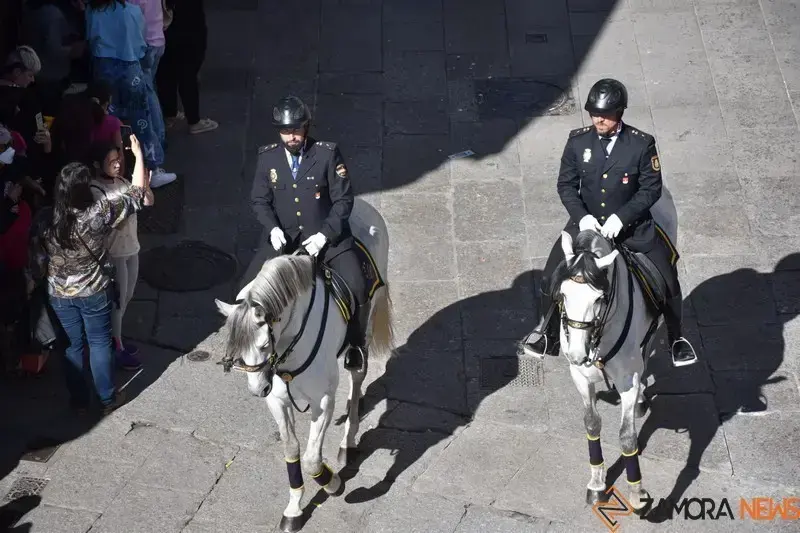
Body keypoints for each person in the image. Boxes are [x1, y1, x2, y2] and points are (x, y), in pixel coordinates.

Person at [518, 78, 698, 367]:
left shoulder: (641, 144)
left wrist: (621, 217)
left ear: (620, 113)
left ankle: (677, 338)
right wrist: (583, 218)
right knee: (551, 275)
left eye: (605, 114)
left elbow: (651, 189)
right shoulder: (578, 141)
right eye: (594, 113)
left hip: (631, 229)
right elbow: (566, 185)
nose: (598, 119)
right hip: (586, 227)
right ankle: (546, 332)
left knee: (667, 278)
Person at [28, 133, 150, 414]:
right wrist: (138, 155)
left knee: (71, 347)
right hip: (94, 291)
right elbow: (137, 194)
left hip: (59, 294)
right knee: (98, 343)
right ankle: (107, 398)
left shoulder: (45, 219)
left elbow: (37, 263)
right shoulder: (97, 213)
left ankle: (79, 400)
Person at [249, 95, 368, 371]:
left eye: (296, 130)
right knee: (247, 289)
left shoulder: (327, 154)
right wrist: (273, 228)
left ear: (307, 128)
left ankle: (356, 345)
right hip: (286, 241)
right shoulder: (268, 158)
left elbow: (343, 200)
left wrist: (325, 235)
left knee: (359, 286)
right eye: (286, 131)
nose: (291, 137)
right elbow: (259, 200)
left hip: (328, 239)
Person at [84, 0, 176, 188]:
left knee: (108, 120)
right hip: (129, 67)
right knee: (142, 120)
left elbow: (91, 39)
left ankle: (109, 168)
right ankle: (152, 168)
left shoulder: (93, 11)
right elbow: (140, 42)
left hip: (103, 69)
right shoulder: (132, 11)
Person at [90, 140, 153, 370]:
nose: (117, 165)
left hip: (132, 249)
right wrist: (139, 157)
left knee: (126, 299)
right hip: (113, 255)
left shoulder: (124, 181)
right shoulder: (95, 190)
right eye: (111, 162)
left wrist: (145, 183)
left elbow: (146, 200)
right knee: (117, 302)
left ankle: (116, 338)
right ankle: (116, 347)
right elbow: (128, 208)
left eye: (118, 160)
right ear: (98, 164)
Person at [156, 0, 217, 134]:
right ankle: (194, 120)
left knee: (166, 71)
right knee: (188, 73)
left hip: (166, 25)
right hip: (190, 26)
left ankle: (170, 114)